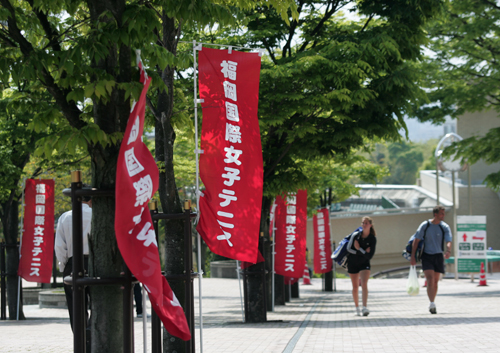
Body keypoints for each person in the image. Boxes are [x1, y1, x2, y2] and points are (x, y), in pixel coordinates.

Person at [54, 194, 92, 330]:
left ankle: (81, 341)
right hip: (95, 263)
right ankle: (95, 337)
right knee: (99, 303)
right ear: (91, 199)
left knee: (76, 307)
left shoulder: (65, 217)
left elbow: (60, 247)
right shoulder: (97, 215)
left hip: (73, 262)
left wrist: (64, 267)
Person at [410, 205, 452, 314]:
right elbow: (416, 240)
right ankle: (432, 303)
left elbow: (448, 240)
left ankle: (433, 300)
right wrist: (413, 256)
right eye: (441, 213)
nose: (443, 215)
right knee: (429, 278)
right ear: (435, 214)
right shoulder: (425, 225)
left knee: (435, 281)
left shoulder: (444, 227)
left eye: (443, 213)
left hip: (438, 255)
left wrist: (448, 250)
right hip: (426, 255)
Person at [347, 216, 377, 316]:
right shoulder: (356, 235)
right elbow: (349, 249)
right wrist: (363, 251)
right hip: (352, 262)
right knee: (355, 287)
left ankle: (364, 307)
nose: (364, 225)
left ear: (370, 225)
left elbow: (370, 255)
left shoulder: (372, 238)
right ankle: (357, 308)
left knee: (364, 284)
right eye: (363, 223)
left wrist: (359, 249)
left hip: (364, 263)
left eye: (366, 223)